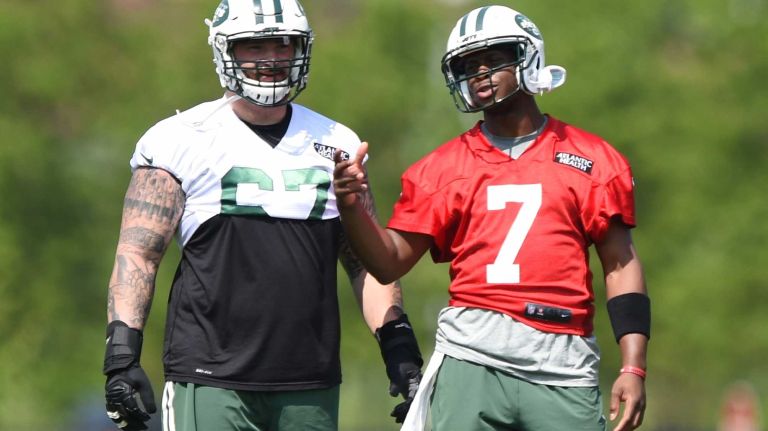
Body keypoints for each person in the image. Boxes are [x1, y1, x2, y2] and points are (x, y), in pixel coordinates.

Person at [101, 1, 423, 430]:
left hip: (310, 378)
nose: (270, 58)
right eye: (254, 45)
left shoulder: (337, 143)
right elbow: (138, 254)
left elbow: (366, 263)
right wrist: (121, 356)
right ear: (225, 51)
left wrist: (398, 349)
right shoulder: (180, 139)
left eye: (282, 44)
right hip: (211, 376)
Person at [333, 5, 650, 431]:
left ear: (528, 56)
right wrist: (351, 206)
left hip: (563, 359)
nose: (480, 73)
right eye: (467, 65)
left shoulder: (592, 159)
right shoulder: (442, 167)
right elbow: (388, 261)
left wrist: (633, 366)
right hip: (473, 356)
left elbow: (620, 264)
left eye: (494, 58)